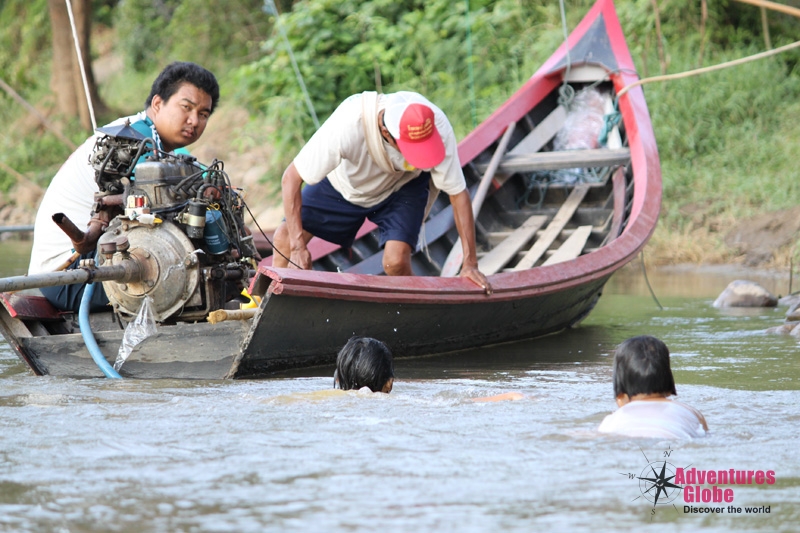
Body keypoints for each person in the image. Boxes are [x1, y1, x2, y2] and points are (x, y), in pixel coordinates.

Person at [28, 61, 219, 312]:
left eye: (203, 114)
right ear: (158, 104)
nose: (194, 120)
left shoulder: (161, 145)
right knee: (185, 275)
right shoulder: (129, 141)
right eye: (186, 107)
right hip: (67, 274)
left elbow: (200, 174)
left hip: (99, 257)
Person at [271, 90, 492, 294]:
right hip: (345, 184)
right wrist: (298, 247)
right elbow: (290, 178)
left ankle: (413, 307)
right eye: (411, 149)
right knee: (284, 240)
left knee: (394, 262)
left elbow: (457, 193)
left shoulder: (435, 125)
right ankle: (271, 304)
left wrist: (470, 263)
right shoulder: (347, 124)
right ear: (386, 133)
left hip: (403, 185)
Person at [598, 335, 708, 439]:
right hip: (673, 441)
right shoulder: (691, 412)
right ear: (669, 385)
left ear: (621, 397)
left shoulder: (611, 421)